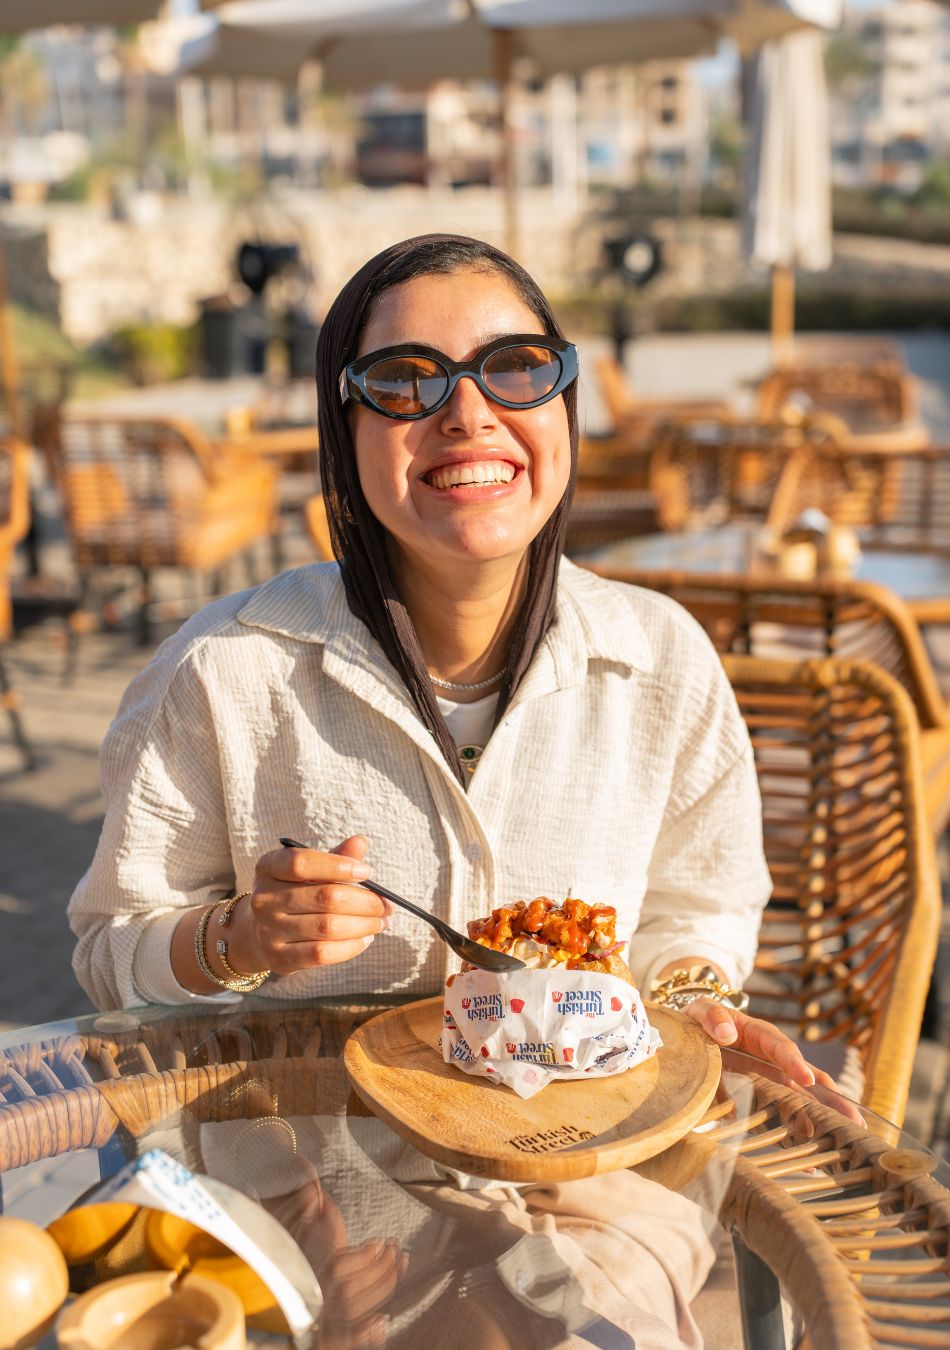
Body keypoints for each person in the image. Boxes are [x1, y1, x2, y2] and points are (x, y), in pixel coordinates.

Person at [69, 233, 829, 1348]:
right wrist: (234, 937)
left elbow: (699, 906)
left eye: (514, 366)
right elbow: (107, 951)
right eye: (404, 381)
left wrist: (684, 993)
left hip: (594, 1152)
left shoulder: (659, 661)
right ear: (347, 431)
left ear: (562, 401)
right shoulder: (221, 676)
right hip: (300, 1166)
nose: (467, 413)